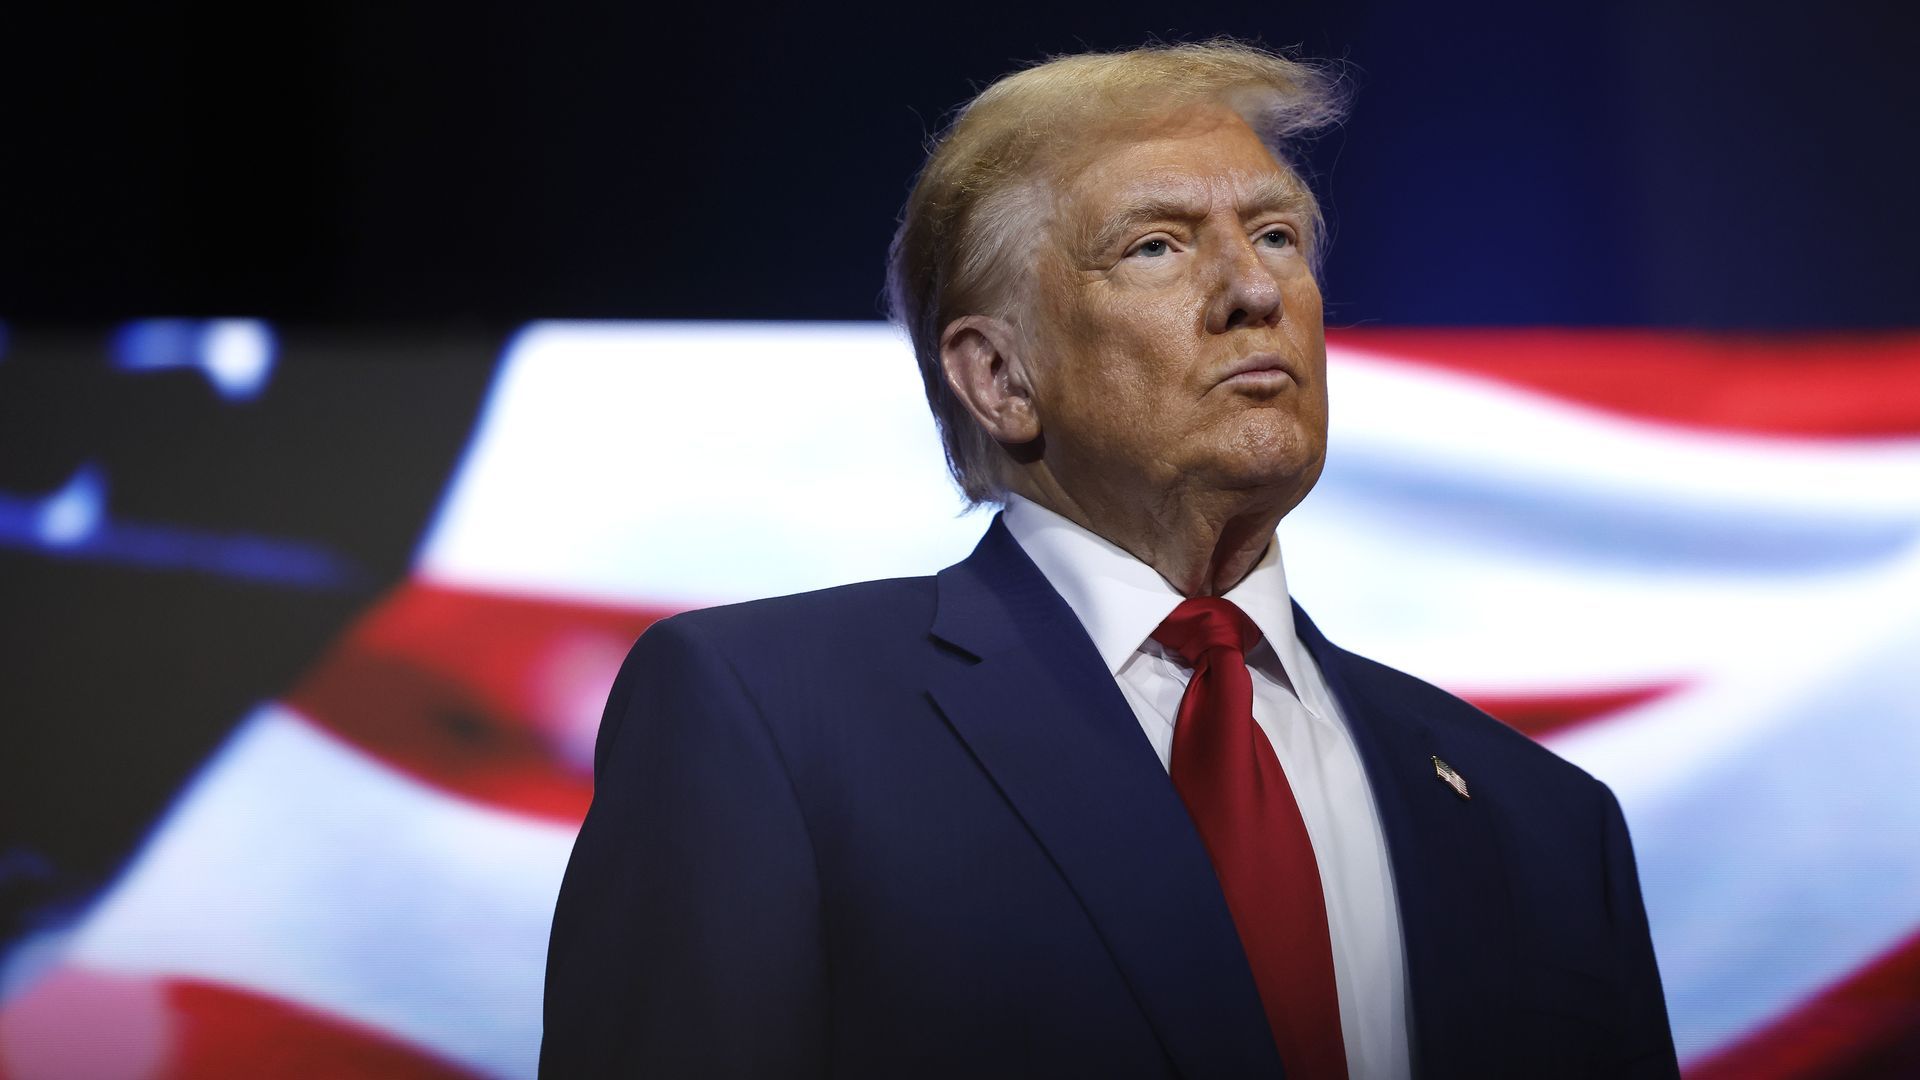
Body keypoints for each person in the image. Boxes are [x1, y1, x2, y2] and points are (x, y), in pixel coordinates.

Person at [541, 40, 1679, 1079]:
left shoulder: (1543, 821)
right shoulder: (773, 723)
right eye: (1156, 246)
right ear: (998, 379)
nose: (1253, 290)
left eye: (1277, 234)